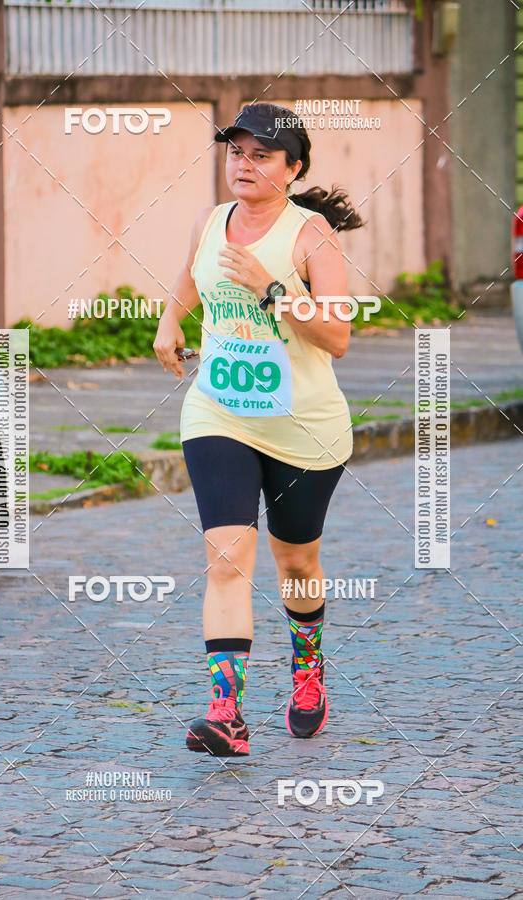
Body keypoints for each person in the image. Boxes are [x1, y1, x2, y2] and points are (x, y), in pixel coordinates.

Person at [153, 102, 364, 757]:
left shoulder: (311, 236)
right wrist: (169, 320)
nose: (242, 165)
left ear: (293, 169)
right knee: (226, 557)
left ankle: (307, 670)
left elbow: (337, 336)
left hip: (305, 426)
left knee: (295, 562)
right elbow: (195, 272)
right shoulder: (211, 220)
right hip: (219, 411)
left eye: (260, 155)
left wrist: (275, 290)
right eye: (235, 152)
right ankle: (226, 713)